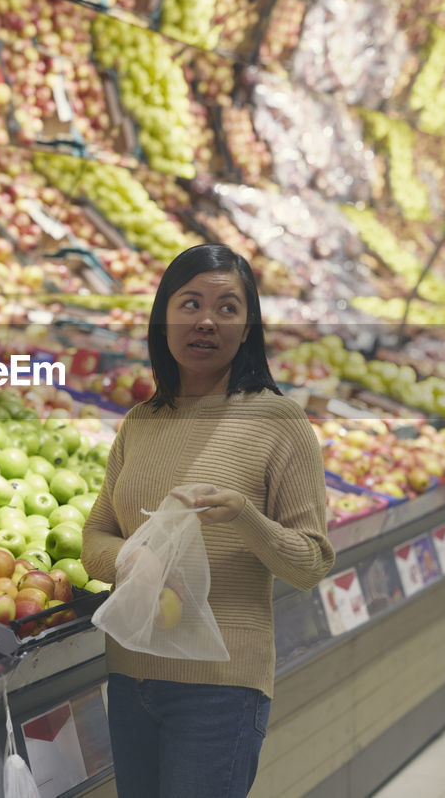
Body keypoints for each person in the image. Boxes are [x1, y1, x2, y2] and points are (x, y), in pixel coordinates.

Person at [81, 243, 335, 798]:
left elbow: (311, 563)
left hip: (222, 690)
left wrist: (244, 515)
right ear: (164, 318)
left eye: (227, 308)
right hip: (129, 676)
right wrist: (131, 558)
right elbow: (96, 534)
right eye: (190, 303)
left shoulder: (280, 422)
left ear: (247, 328)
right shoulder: (140, 423)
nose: (206, 321)